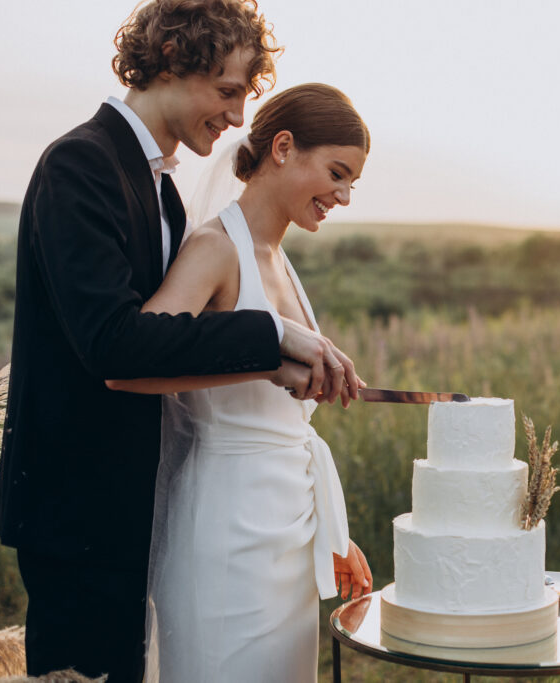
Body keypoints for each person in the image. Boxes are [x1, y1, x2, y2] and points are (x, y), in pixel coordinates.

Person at [0, 3, 360, 681]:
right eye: (226, 91)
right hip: (76, 510)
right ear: (169, 58)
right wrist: (272, 337)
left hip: (135, 506)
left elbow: (172, 346)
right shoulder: (80, 164)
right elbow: (114, 346)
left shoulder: (162, 194)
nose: (238, 118)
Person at [105, 83, 374, 682]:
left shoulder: (280, 258)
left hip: (289, 535)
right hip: (227, 531)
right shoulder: (213, 248)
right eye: (337, 173)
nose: (344, 195)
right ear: (283, 148)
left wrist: (330, 532)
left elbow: (282, 427)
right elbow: (130, 368)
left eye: (352, 182)